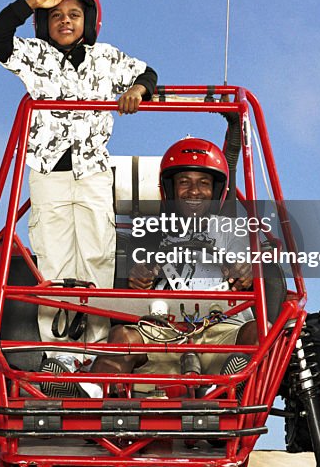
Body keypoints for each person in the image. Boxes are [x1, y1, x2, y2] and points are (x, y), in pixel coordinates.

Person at [0, 0, 157, 343]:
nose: (65, 21)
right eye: (56, 14)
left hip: (92, 170)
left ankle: (92, 353)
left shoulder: (106, 58)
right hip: (48, 171)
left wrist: (137, 91)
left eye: (74, 14)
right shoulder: (34, 55)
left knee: (96, 254)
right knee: (54, 258)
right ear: (44, 20)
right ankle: (59, 357)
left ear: (89, 21)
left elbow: (146, 74)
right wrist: (31, 2)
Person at [90, 137, 262, 386]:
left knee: (260, 330)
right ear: (169, 189)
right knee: (121, 336)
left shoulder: (235, 231)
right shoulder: (148, 232)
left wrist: (249, 273)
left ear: (216, 191)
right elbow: (133, 287)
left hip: (222, 331)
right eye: (184, 182)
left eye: (204, 183)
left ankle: (236, 384)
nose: (194, 191)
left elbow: (258, 274)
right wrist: (139, 283)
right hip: (162, 331)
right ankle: (90, 394)